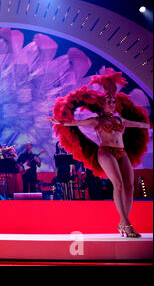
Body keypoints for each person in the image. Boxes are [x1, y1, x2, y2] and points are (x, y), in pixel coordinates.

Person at [48, 68, 152, 238]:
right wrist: (59, 121)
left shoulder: (120, 120)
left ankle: (122, 222)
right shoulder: (97, 121)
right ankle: (125, 223)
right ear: (103, 105)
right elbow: (75, 122)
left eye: (113, 102)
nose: (112, 104)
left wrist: (150, 126)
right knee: (118, 184)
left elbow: (139, 125)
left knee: (129, 186)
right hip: (105, 152)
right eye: (109, 102)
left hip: (121, 152)